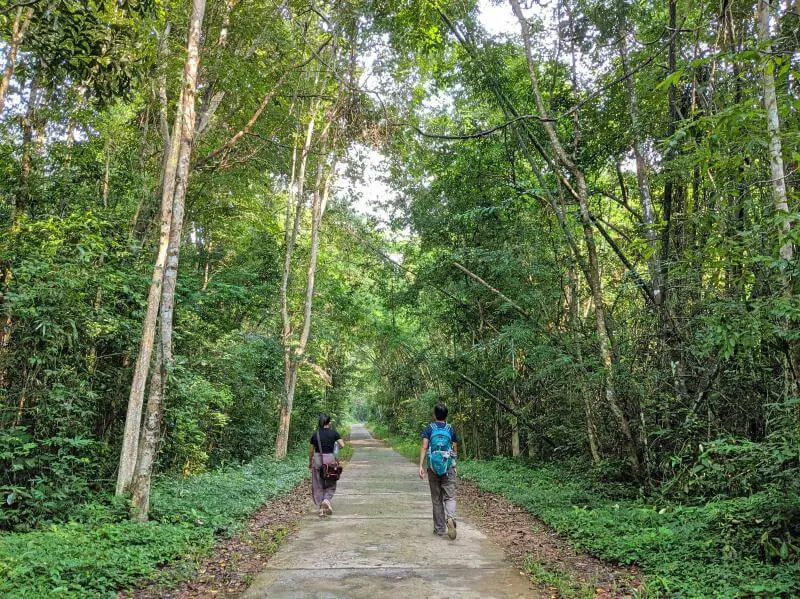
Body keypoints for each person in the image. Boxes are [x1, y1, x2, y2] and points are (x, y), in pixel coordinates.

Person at [418, 403, 460, 540]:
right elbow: (454, 449)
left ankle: (440, 529)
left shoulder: (429, 428)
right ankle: (451, 519)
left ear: (434, 414)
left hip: (433, 468)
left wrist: (421, 466)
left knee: (436, 499)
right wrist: (454, 464)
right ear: (446, 415)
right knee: (450, 496)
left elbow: (424, 447)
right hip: (448, 466)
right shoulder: (450, 429)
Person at [309, 413, 344, 517]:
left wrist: (310, 461)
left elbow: (311, 450)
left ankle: (320, 508)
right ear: (329, 422)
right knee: (331, 481)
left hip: (318, 459)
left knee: (318, 483)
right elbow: (342, 445)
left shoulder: (315, 434)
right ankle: (326, 500)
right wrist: (335, 446)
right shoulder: (333, 433)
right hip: (330, 460)